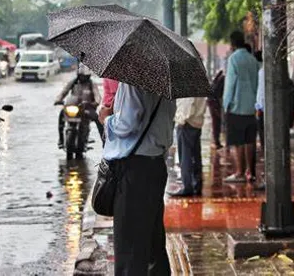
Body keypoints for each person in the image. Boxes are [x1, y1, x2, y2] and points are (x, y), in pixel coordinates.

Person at [103, 83, 176, 275]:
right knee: (153, 242)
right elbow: (168, 128)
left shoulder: (132, 83)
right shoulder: (166, 86)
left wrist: (107, 119)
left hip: (134, 169)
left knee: (130, 245)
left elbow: (126, 124)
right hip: (155, 166)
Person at [223, 31, 260, 183]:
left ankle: (239, 173)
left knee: (237, 140)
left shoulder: (233, 59)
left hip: (236, 107)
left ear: (232, 44)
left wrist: (226, 104)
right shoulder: (253, 60)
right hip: (251, 107)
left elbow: (230, 84)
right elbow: (257, 82)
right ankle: (250, 172)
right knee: (249, 140)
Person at [54, 64, 103, 148]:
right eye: (81, 76)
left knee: (98, 119)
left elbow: (97, 95)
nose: (83, 78)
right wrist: (58, 100)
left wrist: (96, 102)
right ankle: (61, 139)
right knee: (62, 114)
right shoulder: (73, 82)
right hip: (73, 107)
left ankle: (104, 141)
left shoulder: (92, 83)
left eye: (85, 76)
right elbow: (63, 92)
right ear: (78, 75)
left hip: (87, 108)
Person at [168, 97, 207, 197]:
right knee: (195, 155)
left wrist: (180, 120)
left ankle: (187, 186)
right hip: (197, 121)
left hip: (188, 122)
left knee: (185, 156)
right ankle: (197, 184)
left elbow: (187, 103)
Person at [207, 70, 225, 149]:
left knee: (216, 122)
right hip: (214, 102)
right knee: (216, 122)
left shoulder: (221, 78)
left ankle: (216, 141)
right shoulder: (224, 79)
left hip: (213, 101)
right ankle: (216, 142)